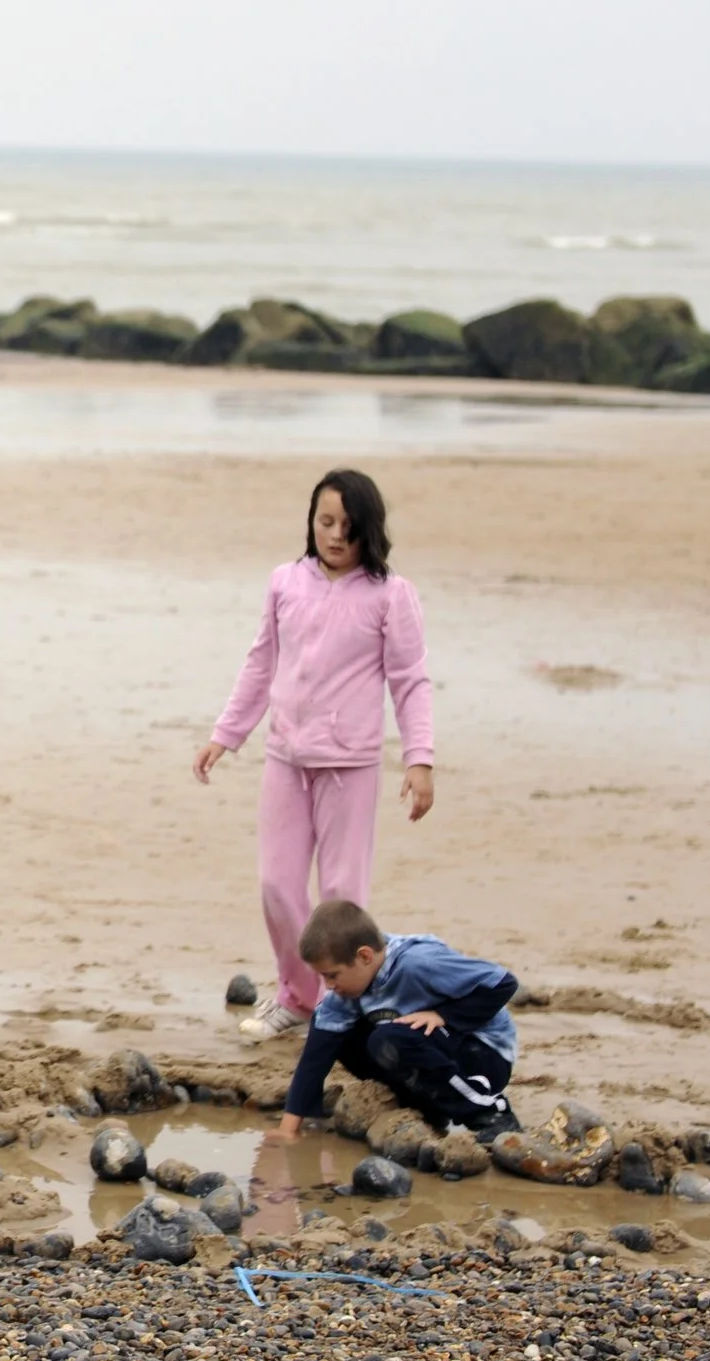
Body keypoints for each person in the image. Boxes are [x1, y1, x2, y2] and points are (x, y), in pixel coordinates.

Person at [195, 468, 435, 1042]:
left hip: (349, 764)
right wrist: (227, 733)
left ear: (368, 532)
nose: (334, 536)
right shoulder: (285, 583)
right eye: (325, 522)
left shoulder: (390, 595)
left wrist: (419, 758)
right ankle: (297, 996)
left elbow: (410, 681)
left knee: (342, 897)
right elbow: (261, 663)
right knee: (278, 886)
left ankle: (344, 1004)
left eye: (348, 528)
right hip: (286, 758)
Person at [269, 899, 519, 1147]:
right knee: (337, 1033)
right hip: (429, 1049)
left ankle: (489, 1113)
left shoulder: (420, 963)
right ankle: (428, 1106)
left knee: (389, 1040)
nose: (329, 986)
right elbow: (315, 1055)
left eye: (332, 975)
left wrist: (444, 1015)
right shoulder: (344, 994)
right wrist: (289, 1129)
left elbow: (503, 983)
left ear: (364, 956)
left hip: (483, 1055)